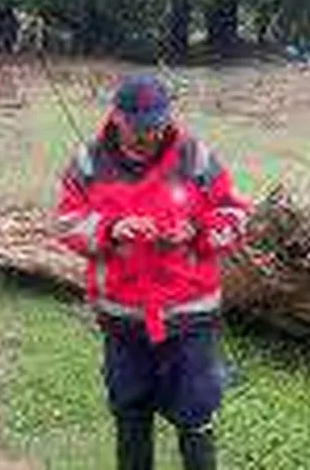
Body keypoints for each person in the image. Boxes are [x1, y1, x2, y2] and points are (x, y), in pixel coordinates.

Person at [54, 74, 253, 470]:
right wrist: (112, 229)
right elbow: (66, 223)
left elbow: (234, 215)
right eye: (139, 127)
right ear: (117, 117)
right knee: (130, 412)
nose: (149, 135)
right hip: (122, 319)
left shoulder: (195, 155)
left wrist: (196, 232)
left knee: (196, 414)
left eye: (157, 125)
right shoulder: (88, 161)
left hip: (190, 316)